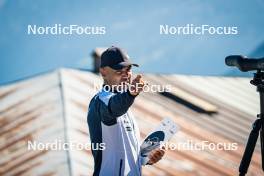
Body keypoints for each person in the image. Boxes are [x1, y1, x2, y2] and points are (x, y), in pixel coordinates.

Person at [87, 46, 165, 176]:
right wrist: (131, 93)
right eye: (119, 70)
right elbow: (113, 107)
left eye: (128, 69)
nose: (126, 74)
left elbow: (127, 156)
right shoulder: (100, 102)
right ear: (103, 72)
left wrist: (147, 158)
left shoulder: (127, 108)